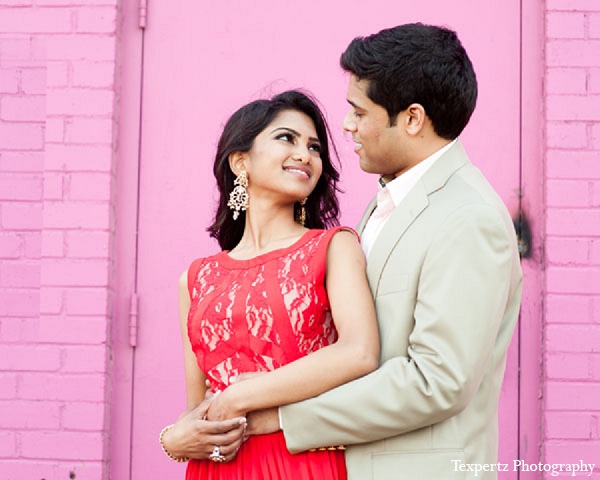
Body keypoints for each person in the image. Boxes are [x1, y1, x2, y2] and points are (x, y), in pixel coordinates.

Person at [243, 23, 523, 480]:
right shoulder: (389, 199)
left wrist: (282, 417)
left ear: (412, 119)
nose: (347, 125)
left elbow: (437, 381)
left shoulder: (469, 217)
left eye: (359, 111)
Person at [159, 90, 380, 479]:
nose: (305, 155)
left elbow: (359, 353)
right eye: (286, 138)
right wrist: (173, 439)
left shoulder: (333, 247)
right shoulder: (196, 279)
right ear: (240, 161)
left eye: (314, 147)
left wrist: (242, 395)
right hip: (218, 468)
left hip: (303, 459)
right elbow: (200, 408)